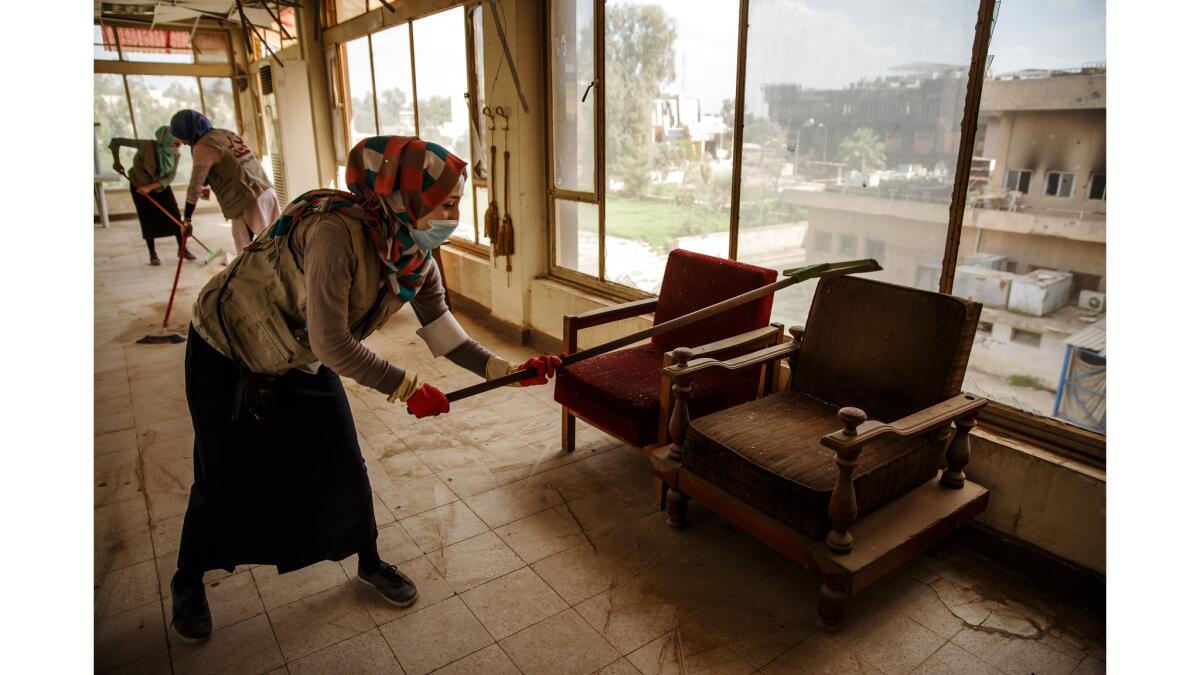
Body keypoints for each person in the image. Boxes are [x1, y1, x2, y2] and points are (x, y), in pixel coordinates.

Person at [169, 136, 562, 642]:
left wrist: (506, 370)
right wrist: (407, 387)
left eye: (458, 203)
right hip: (225, 345)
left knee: (344, 465)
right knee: (222, 477)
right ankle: (188, 580)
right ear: (406, 198)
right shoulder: (335, 233)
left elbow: (443, 330)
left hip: (299, 355)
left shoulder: (414, 256)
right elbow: (333, 342)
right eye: (448, 203)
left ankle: (369, 561)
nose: (455, 215)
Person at [168, 109, 281, 253]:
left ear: (187, 130)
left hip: (246, 202)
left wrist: (187, 219)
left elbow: (195, 186)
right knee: (276, 245)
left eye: (181, 137)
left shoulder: (203, 146)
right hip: (267, 192)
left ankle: (262, 274)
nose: (183, 143)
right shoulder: (226, 133)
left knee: (248, 255)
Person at [108, 127, 195, 266]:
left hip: (161, 186)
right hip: (139, 186)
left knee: (175, 217)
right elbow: (115, 142)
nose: (177, 148)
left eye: (179, 145)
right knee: (147, 219)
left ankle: (182, 249)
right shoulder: (146, 145)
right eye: (176, 144)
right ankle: (153, 254)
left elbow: (169, 177)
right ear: (166, 140)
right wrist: (116, 162)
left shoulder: (175, 155)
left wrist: (150, 187)